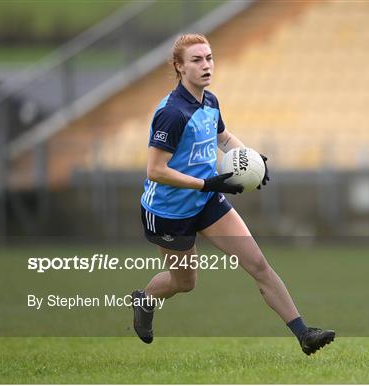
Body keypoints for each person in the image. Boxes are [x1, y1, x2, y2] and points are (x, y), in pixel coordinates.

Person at [132, 33, 334, 355]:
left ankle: (304, 334)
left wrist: (254, 160)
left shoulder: (210, 102)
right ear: (179, 67)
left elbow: (224, 138)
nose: (206, 65)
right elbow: (155, 170)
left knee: (258, 264)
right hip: (169, 212)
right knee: (184, 282)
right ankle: (144, 300)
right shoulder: (172, 113)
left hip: (208, 201)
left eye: (209, 58)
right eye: (197, 60)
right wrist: (206, 183)